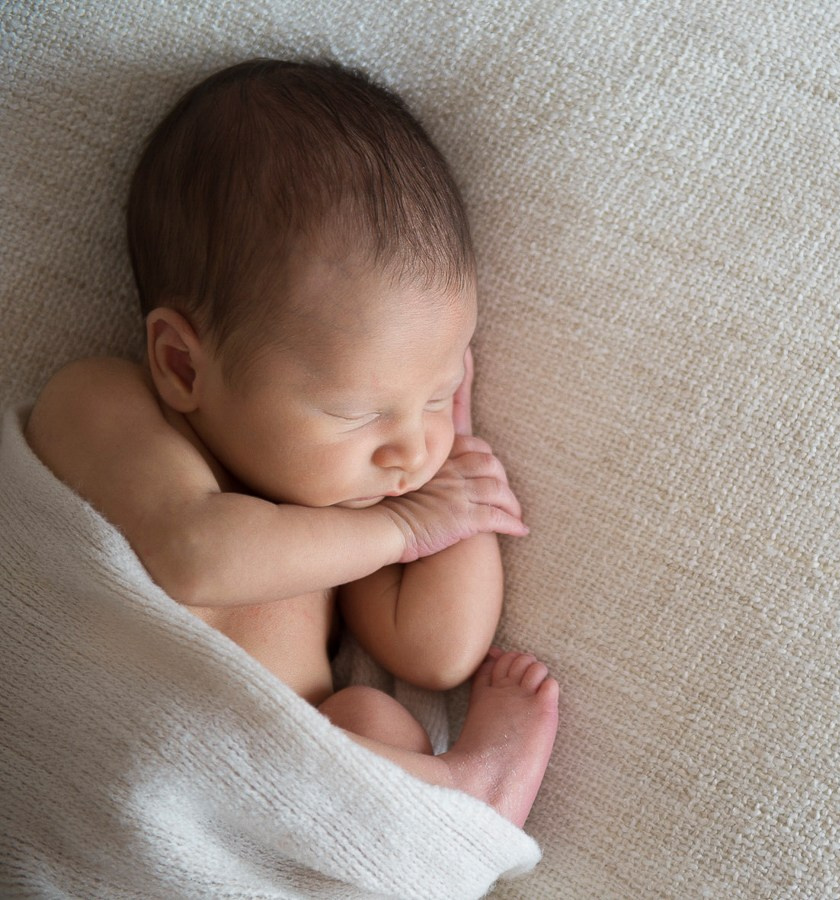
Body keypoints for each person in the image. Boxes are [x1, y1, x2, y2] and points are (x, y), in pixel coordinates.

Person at [23, 58, 558, 828]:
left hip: (261, 815)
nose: (410, 448)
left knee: (371, 717)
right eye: (357, 410)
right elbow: (194, 556)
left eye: (440, 391)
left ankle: (434, 797)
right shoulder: (101, 402)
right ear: (182, 365)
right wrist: (405, 527)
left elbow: (435, 652)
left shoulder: (344, 503)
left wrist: (457, 483)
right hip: (121, 758)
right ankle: (461, 791)